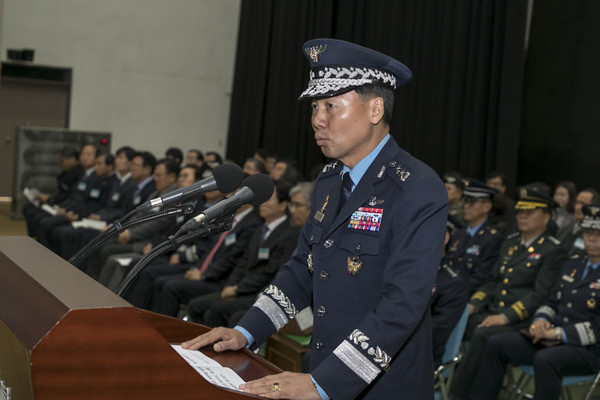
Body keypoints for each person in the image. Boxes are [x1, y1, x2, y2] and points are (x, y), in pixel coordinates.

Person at [182, 38, 448, 400]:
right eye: (314, 107)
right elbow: (301, 272)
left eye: (331, 106)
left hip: (380, 386)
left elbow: (402, 306)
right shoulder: (328, 181)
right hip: (323, 370)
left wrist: (321, 384)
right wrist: (246, 332)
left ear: (375, 110)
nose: (317, 120)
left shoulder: (417, 187)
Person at [468, 204, 600, 400]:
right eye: (588, 233)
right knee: (496, 343)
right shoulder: (573, 264)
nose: (592, 239)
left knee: (545, 359)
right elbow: (552, 301)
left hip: (589, 349)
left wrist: (557, 333)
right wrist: (540, 319)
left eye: (598, 234)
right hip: (552, 339)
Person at [449, 187, 567, 399]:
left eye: (530, 212)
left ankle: (460, 394)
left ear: (547, 217)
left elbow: (541, 294)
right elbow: (494, 281)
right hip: (494, 312)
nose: (522, 216)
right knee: (457, 319)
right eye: (521, 211)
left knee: (484, 335)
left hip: (524, 320)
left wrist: (505, 317)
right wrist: (473, 304)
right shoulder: (511, 242)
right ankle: (442, 381)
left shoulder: (553, 250)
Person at [442, 179, 503, 294]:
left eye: (472, 202)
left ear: (487, 206)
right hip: (447, 293)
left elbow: (482, 278)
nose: (466, 206)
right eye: (465, 201)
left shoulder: (492, 238)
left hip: (466, 297)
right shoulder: (459, 233)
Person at [432, 215, 470, 369]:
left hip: (415, 359)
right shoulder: (402, 269)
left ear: (444, 237)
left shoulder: (452, 284)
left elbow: (432, 335)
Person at [557, 188, 600, 256]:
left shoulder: (596, 235)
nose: (578, 207)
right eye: (577, 203)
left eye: (583, 204)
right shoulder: (563, 230)